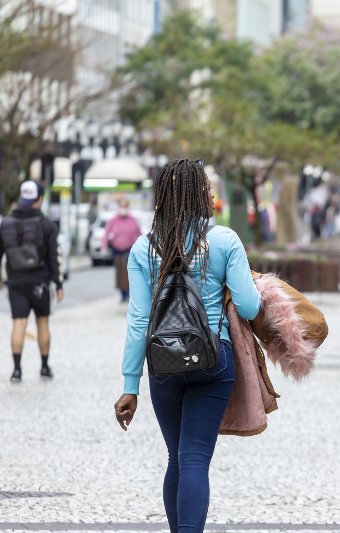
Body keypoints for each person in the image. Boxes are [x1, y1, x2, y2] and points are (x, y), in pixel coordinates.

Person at [113, 159, 262, 533]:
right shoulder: (224, 240)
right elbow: (249, 307)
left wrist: (130, 385)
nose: (212, 194)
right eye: (208, 189)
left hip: (163, 363)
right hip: (213, 358)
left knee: (176, 458)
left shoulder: (144, 248)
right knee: (195, 458)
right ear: (198, 194)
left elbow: (138, 322)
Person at [0, 180, 64, 382]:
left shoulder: (6, 223)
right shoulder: (46, 225)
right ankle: (44, 367)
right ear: (40, 198)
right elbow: (54, 257)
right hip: (40, 282)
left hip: (16, 282)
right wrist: (58, 283)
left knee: (18, 323)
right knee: (42, 322)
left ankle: (17, 370)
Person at [101, 198, 142, 302]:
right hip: (117, 250)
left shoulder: (132, 220)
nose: (123, 208)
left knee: (129, 272)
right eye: (122, 206)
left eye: (125, 206)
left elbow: (139, 233)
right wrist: (103, 246)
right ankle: (123, 294)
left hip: (129, 249)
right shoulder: (113, 220)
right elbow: (106, 233)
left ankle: (129, 293)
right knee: (120, 273)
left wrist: (142, 247)